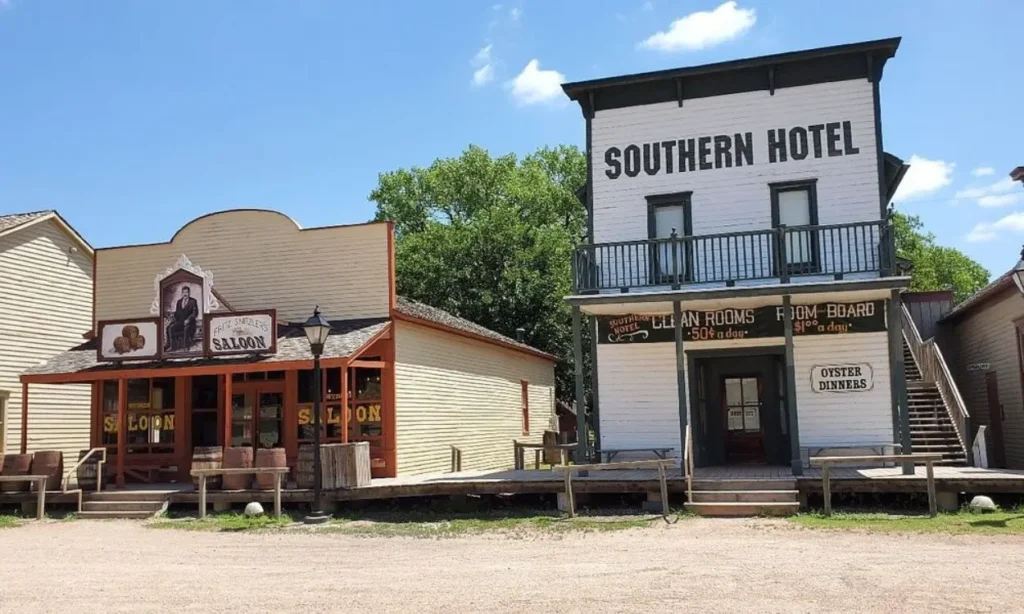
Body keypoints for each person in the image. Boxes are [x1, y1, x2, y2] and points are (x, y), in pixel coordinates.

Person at [165, 285, 199, 351]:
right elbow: (177, 313)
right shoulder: (179, 302)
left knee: (186, 328)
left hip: (190, 322)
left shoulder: (193, 301)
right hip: (180, 322)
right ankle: (171, 345)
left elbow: (195, 313)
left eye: (186, 292)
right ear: (182, 293)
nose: (185, 294)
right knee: (169, 327)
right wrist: (172, 316)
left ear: (189, 293)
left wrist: (188, 319)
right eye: (183, 292)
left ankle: (185, 347)